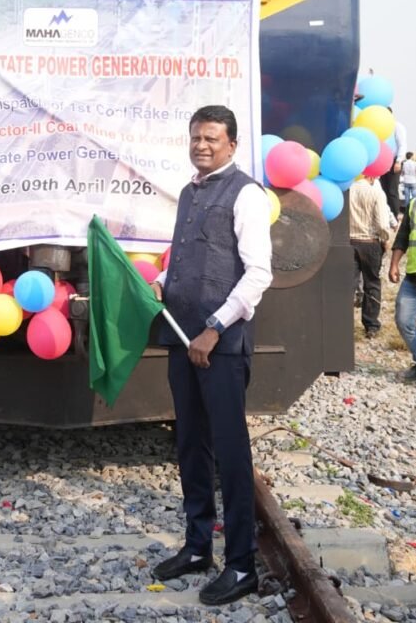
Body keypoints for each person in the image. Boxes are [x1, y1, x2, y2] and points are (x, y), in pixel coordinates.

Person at [150, 105, 272, 607]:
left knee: (229, 452)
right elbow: (187, 255)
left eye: (212, 139)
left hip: (219, 345)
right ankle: (198, 545)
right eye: (196, 137)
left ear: (232, 145)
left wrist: (215, 328)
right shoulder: (189, 192)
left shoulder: (246, 194)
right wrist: (162, 281)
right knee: (190, 444)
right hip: (183, 337)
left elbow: (258, 273)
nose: (201, 145)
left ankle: (241, 564)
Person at [388, 173, 416, 390]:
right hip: (414, 278)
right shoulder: (415, 205)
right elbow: (402, 237)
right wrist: (394, 264)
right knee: (404, 321)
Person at [349, 176, 391, 337]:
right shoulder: (376, 192)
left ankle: (342, 322)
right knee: (372, 283)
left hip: (349, 242)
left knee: (347, 285)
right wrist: (385, 239)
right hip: (370, 242)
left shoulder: (347, 190)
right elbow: (382, 224)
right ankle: (371, 325)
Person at [379, 110, 407, 218]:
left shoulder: (397, 126)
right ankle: (386, 216)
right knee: (383, 190)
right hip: (383, 161)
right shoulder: (380, 127)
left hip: (394, 161)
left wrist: (398, 161)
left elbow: (402, 145)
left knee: (392, 190)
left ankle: (395, 215)